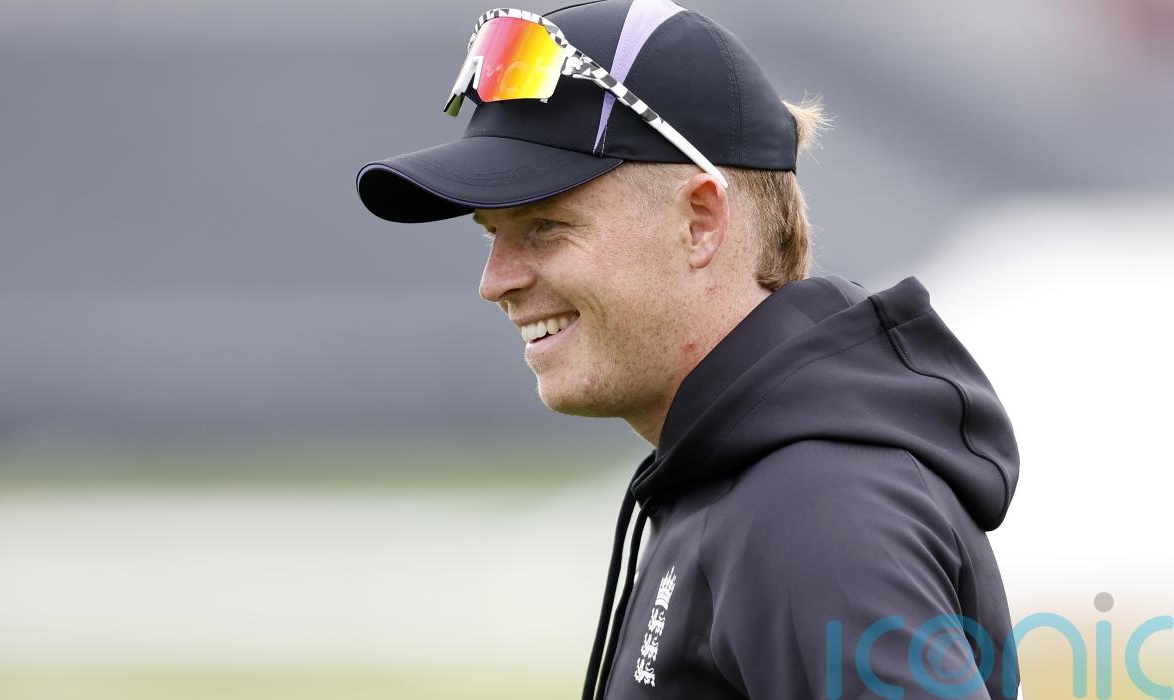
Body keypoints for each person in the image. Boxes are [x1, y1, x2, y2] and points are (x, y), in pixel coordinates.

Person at [356, 1, 1022, 698]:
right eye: (492, 234)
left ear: (700, 221)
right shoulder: (745, 480)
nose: (496, 282)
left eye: (546, 225)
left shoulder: (811, 509)